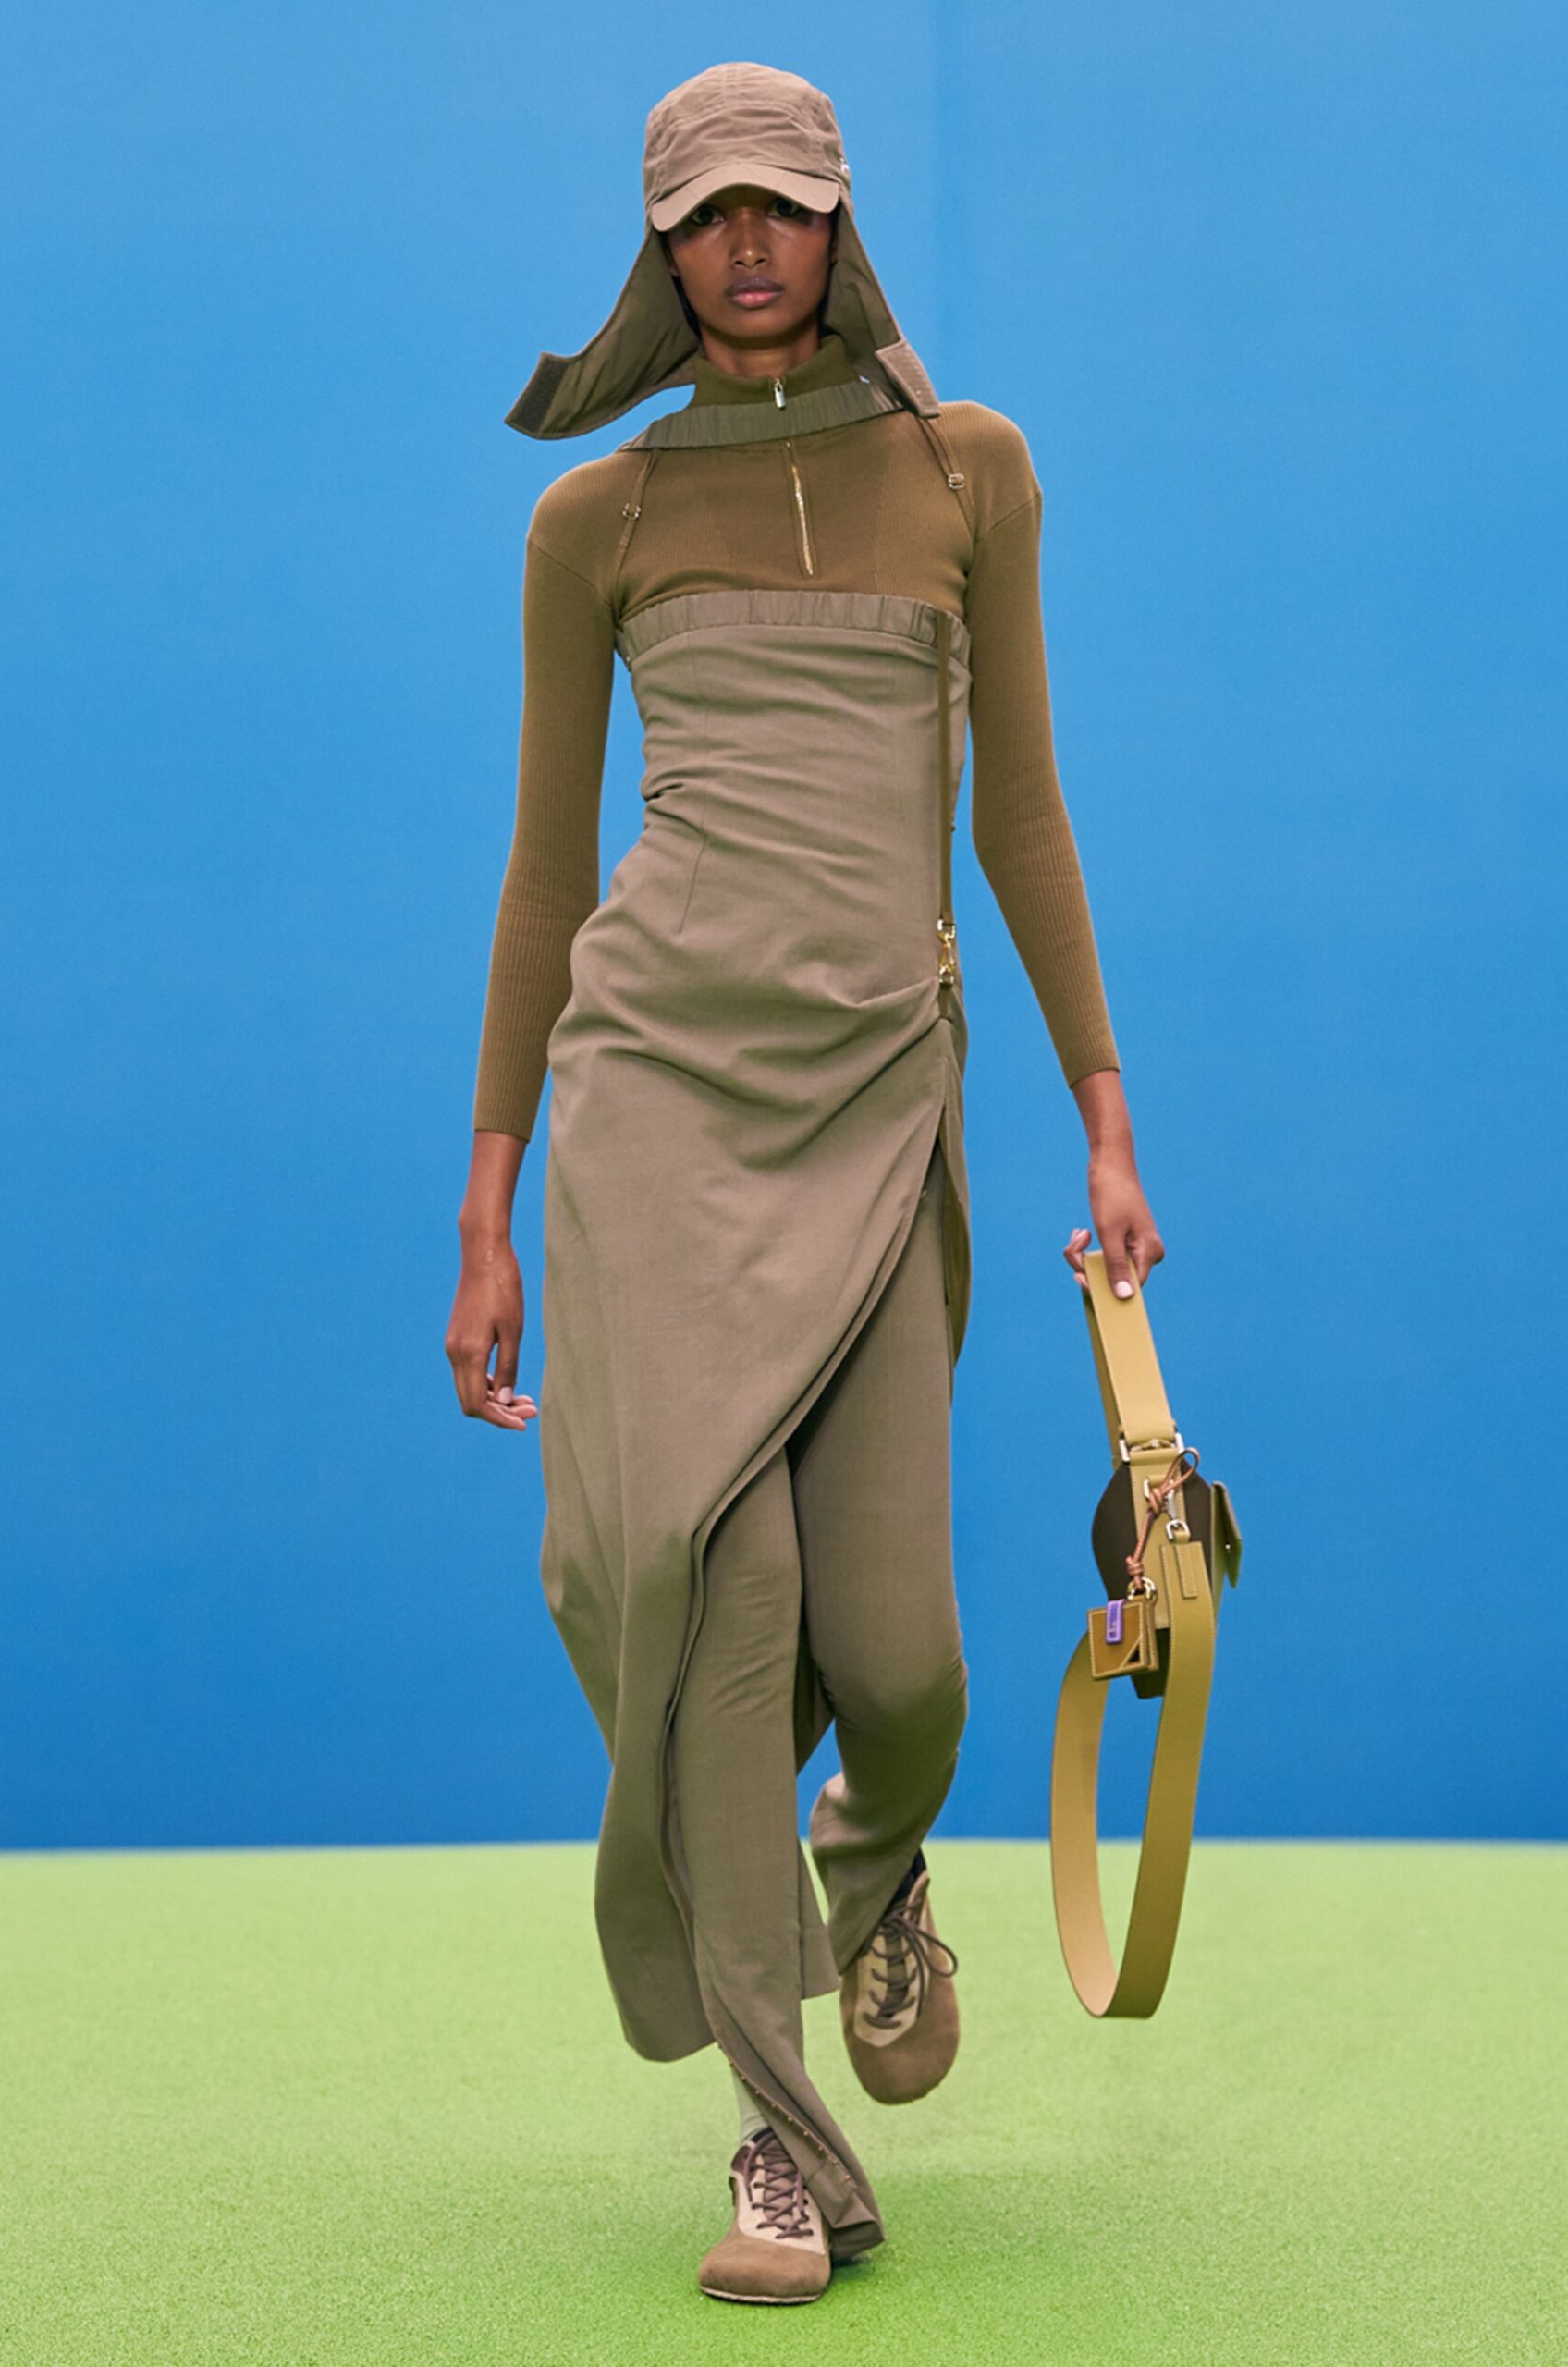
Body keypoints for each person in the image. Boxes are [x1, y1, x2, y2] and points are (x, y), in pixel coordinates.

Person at [445, 60, 1164, 2306]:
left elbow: (1016, 810)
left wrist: (1100, 1106)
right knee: (714, 1600)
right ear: (657, 250)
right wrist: (484, 1204)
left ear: (839, 227)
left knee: (904, 1659)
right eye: (704, 216)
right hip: (652, 1104)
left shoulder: (967, 472)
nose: (745, 245)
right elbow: (547, 872)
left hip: (875, 1100)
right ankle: (779, 2142)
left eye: (781, 205)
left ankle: (872, 1861)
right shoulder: (595, 520)